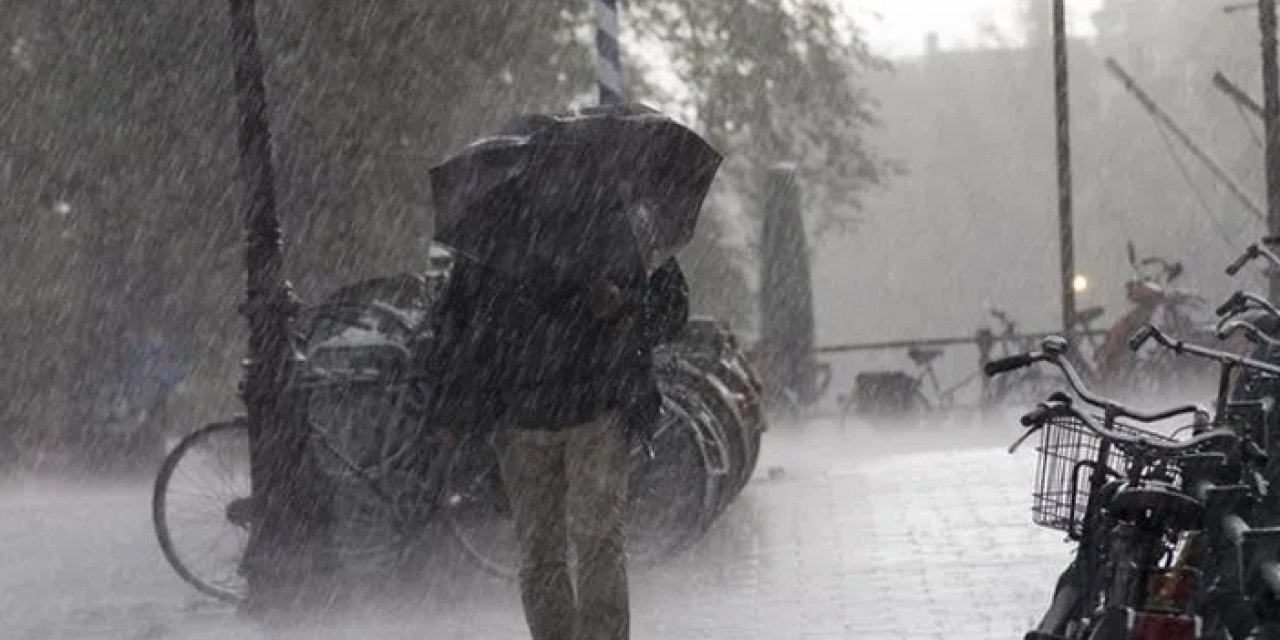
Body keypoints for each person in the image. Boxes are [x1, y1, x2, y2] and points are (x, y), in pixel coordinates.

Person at [426, 242, 688, 640]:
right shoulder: (618, 216)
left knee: (577, 546)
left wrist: (623, 304)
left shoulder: (500, 224)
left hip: (580, 409)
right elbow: (460, 321)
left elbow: (670, 310)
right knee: (561, 549)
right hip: (534, 415)